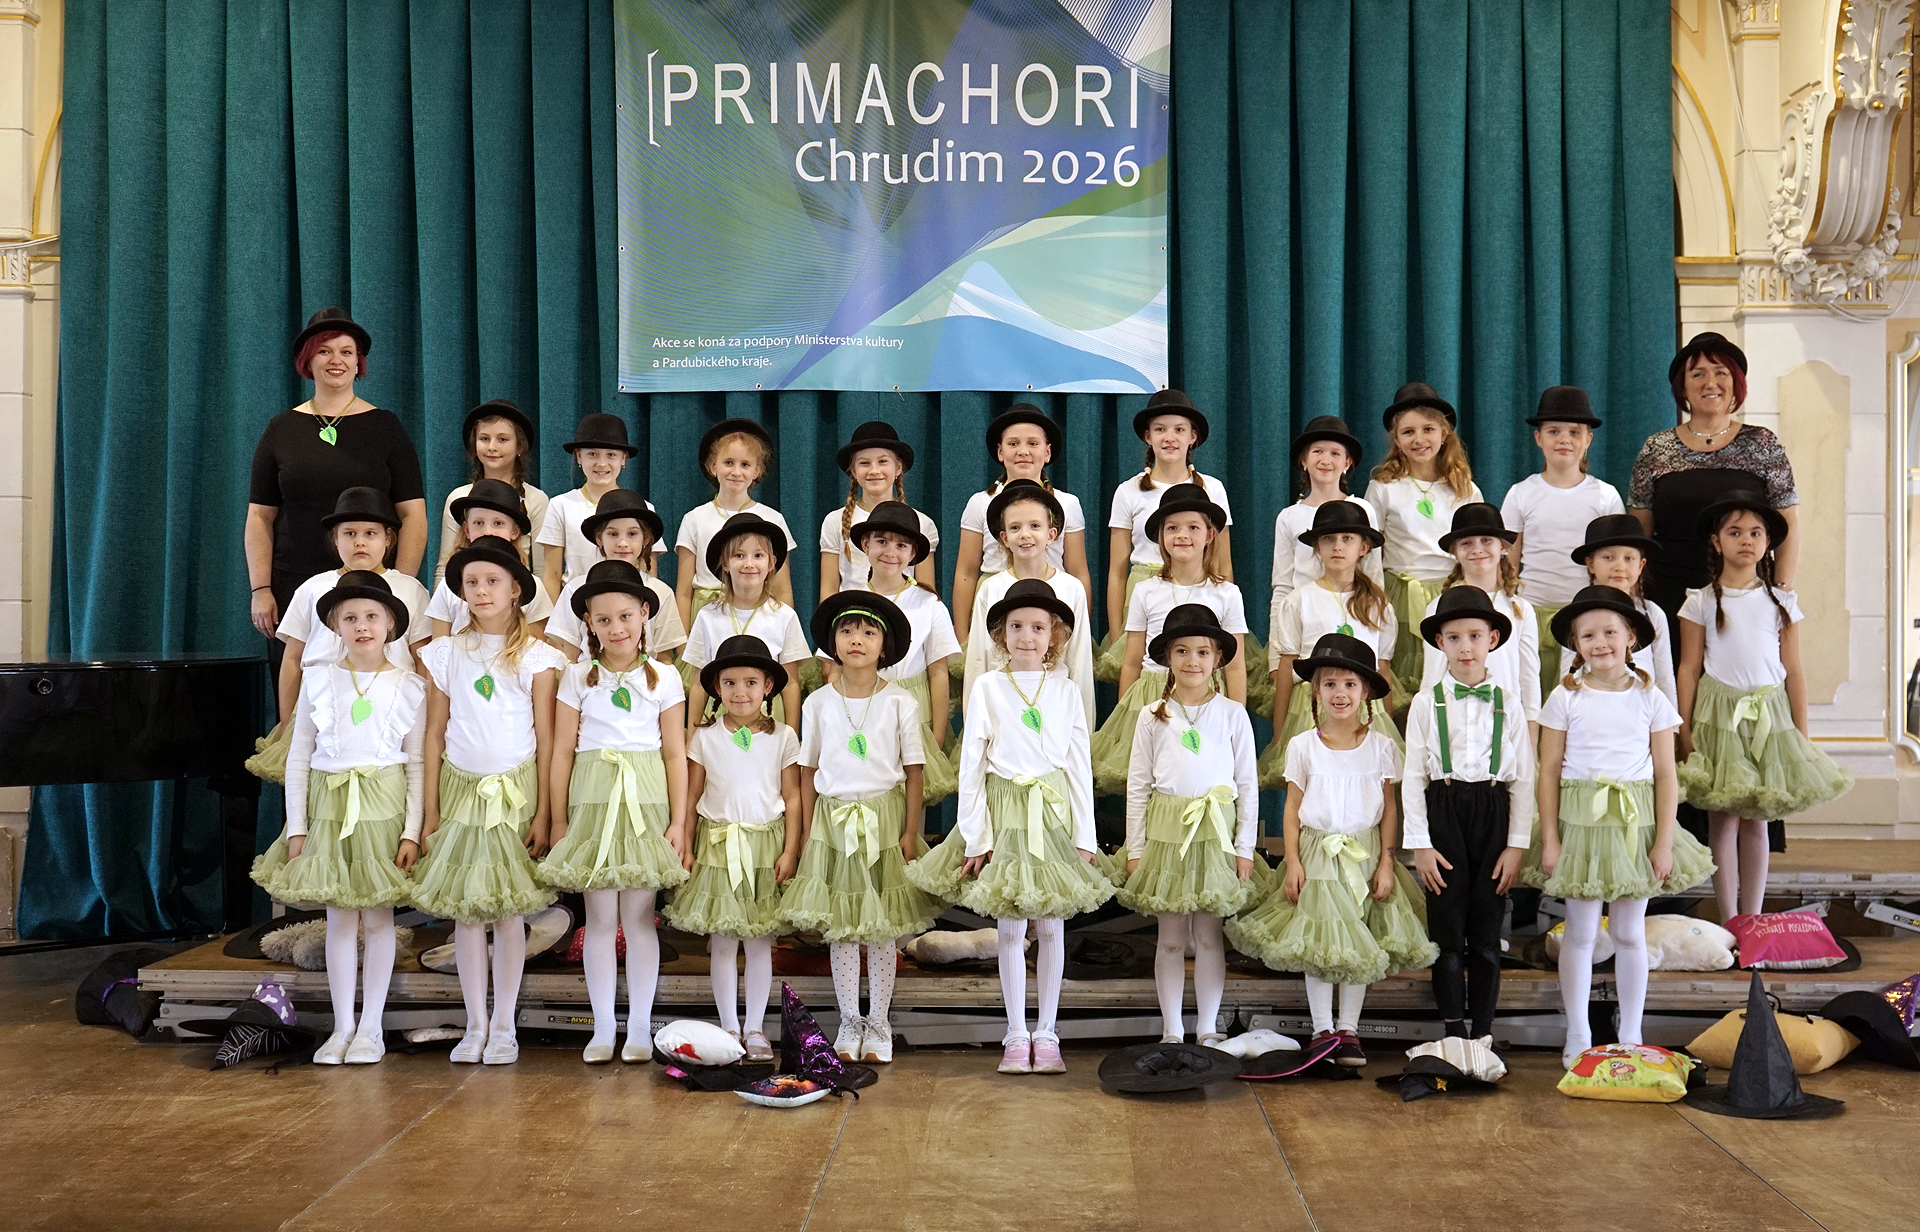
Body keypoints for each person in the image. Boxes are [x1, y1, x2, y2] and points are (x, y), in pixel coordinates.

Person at [908, 580, 1110, 1075]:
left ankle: (1048, 1031)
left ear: (1053, 636)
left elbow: (1077, 766)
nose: (1026, 636)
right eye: (1016, 626)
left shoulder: (1065, 691)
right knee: (1011, 928)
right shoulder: (987, 687)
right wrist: (978, 836)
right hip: (1004, 817)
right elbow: (972, 766)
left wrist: (1084, 836)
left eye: (1038, 627)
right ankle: (1016, 1032)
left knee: (1052, 927)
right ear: (1001, 634)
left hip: (1052, 816)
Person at [1523, 587, 1716, 1066]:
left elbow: (1666, 773)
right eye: (1588, 635)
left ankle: (1631, 1030)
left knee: (1630, 932)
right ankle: (1578, 1032)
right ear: (1575, 643)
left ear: (1631, 637)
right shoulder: (1564, 697)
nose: (1600, 642)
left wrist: (1663, 842)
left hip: (1635, 823)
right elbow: (1548, 772)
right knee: (1581, 932)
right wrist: (1551, 839)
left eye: (1610, 632)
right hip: (1581, 823)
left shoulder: (1651, 697)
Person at [1227, 633, 1436, 1067]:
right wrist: (1293, 862)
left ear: (1366, 693)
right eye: (1330, 684)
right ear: (1315, 691)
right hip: (1317, 852)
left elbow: (1389, 810)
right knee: (1320, 938)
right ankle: (1322, 1029)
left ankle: (1349, 1029)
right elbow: (1292, 809)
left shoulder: (1382, 747)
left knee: (1357, 938)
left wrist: (1386, 862)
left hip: (1365, 851)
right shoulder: (1303, 746)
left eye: (1350, 684)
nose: (1340, 693)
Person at [250, 571, 424, 1065]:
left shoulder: (409, 686)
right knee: (340, 919)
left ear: (390, 624)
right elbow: (299, 758)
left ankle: (371, 1027)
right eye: (350, 618)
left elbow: (415, 763)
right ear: (334, 626)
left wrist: (412, 831)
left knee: (379, 918)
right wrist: (299, 828)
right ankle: (343, 1025)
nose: (362, 626)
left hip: (383, 810)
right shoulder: (319, 680)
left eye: (371, 616)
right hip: (329, 811)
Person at [410, 536, 566, 1065]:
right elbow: (434, 733)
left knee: (508, 912)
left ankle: (504, 1026)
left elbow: (547, 738)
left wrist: (544, 813)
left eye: (492, 581)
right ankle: (474, 1024)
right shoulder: (445, 653)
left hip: (515, 794)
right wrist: (431, 812)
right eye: (471, 582)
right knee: (468, 914)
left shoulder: (537, 657)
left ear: (516, 589)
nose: (481, 590)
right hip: (460, 792)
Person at [537, 562, 691, 1064]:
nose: (616, 627)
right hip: (593, 800)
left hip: (646, 801)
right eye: (603, 620)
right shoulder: (576, 677)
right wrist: (560, 820)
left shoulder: (665, 677)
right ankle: (603, 1027)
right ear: (588, 622)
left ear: (645, 613)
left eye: (625, 616)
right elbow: (562, 752)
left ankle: (641, 1028)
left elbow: (675, 754)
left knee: (640, 919)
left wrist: (678, 821)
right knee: (601, 919)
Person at [778, 592, 941, 1063]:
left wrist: (909, 832)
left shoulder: (901, 702)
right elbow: (808, 770)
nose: (857, 640)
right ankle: (849, 1021)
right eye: (847, 631)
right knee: (843, 929)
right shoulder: (818, 702)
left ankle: (879, 1021)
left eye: (869, 632)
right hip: (832, 823)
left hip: (883, 820)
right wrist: (807, 834)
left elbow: (914, 772)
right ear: (833, 642)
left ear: (884, 646)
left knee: (881, 929)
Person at [1677, 495, 1851, 921]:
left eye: (1756, 533)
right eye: (1735, 532)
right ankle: (1729, 917)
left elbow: (1793, 669)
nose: (1746, 541)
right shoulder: (1700, 601)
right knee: (1723, 821)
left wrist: (1801, 732)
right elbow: (1689, 668)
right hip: (1718, 718)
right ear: (1716, 542)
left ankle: (1752, 918)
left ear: (1768, 542)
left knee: (1758, 820)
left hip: (1769, 718)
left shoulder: (1781, 602)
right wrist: (1684, 729)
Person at [246, 308, 427, 675]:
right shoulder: (281, 428)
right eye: (324, 351)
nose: (336, 360)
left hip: (372, 588)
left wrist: (398, 586)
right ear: (307, 360)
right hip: (294, 584)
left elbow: (413, 515)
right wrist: (260, 589)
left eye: (346, 352)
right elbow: (259, 517)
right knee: (298, 689)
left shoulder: (386, 427)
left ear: (358, 363)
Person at [1115, 605, 1260, 1047]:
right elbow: (1138, 787)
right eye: (1181, 650)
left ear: (1217, 658)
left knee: (1209, 937)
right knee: (1172, 938)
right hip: (1166, 836)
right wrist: (1135, 848)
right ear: (1167, 657)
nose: (1192, 660)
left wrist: (1244, 848)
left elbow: (1247, 785)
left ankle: (1208, 1028)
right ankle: (1173, 1029)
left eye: (1202, 651)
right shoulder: (1151, 715)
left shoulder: (1232, 714)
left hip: (1215, 835)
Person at [1402, 587, 1535, 1042]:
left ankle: (1483, 1032)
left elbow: (1524, 778)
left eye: (1475, 636)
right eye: (1454, 637)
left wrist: (1516, 845)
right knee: (1446, 930)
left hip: (1494, 811)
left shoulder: (1509, 702)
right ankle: (1452, 1031)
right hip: (1444, 810)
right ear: (1440, 642)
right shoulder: (1426, 703)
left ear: (1492, 639)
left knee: (1485, 932)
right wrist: (1420, 844)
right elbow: (1412, 777)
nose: (1465, 647)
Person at [665, 635, 803, 1062]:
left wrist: (791, 850)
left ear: (768, 687)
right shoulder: (704, 737)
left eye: (750, 682)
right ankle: (728, 1026)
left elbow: (793, 796)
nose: (740, 692)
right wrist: (688, 843)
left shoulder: (783, 736)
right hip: (718, 847)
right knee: (723, 940)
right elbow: (692, 794)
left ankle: (756, 1027)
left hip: (765, 847)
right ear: (716, 688)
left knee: (760, 940)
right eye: (729, 683)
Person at [255, 487, 431, 785]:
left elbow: (422, 660)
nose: (360, 542)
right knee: (313, 791)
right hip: (320, 715)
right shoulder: (312, 588)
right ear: (335, 539)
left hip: (388, 711)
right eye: (349, 534)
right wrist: (287, 723)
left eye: (370, 533)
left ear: (388, 539)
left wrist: (421, 720)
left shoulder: (410, 589)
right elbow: (292, 660)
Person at [1629, 333, 1800, 621]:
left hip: (1746, 596)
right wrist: (1635, 595)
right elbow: (1639, 530)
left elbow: (1788, 524)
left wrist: (1781, 594)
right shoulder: (1656, 448)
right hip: (1669, 595)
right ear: (1683, 387)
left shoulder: (1763, 443)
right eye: (1698, 374)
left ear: (1736, 384)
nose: (1710, 383)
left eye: (1721, 372)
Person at [1092, 484, 1248, 795]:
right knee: (1154, 781)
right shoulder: (1146, 591)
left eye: (1193, 527)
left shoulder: (1227, 594)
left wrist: (1236, 718)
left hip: (1206, 695)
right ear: (1161, 535)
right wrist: (1126, 717)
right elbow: (1132, 662)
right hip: (1154, 696)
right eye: (1172, 528)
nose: (1182, 535)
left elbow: (1234, 666)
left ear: (1210, 535)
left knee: (1199, 776)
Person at [1261, 501, 1399, 790]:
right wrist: (1279, 731)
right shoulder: (1299, 600)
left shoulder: (1378, 605)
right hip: (1311, 705)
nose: (1338, 547)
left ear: (1363, 547)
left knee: (1362, 784)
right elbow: (1287, 665)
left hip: (1363, 706)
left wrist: (1387, 725)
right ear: (1317, 547)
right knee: (1315, 787)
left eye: (1347, 539)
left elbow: (1382, 668)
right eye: (1328, 539)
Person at [1099, 389, 1234, 680]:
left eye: (1179, 430)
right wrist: (1117, 632)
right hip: (1145, 589)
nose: (1169, 437)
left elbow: (1223, 563)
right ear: (1148, 436)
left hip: (1199, 588)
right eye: (1160, 429)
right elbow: (1117, 571)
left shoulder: (1213, 489)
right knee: (1148, 676)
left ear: (1192, 437)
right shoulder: (1129, 491)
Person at [1500, 387, 1622, 702]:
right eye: (1554, 431)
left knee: (1580, 700)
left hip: (1586, 616)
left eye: (1574, 432)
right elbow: (1508, 562)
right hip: (1531, 612)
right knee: (1532, 696)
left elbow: (1615, 562)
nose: (1564, 439)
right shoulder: (1521, 494)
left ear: (1588, 439)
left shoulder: (1605, 496)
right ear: (1538, 438)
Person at [1364, 381, 1483, 697]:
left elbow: (1477, 550)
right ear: (1397, 439)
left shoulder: (1464, 489)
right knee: (1402, 685)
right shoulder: (1383, 488)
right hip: (1400, 595)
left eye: (1428, 429)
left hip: (1451, 594)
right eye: (1408, 432)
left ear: (1444, 433)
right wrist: (1375, 597)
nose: (1419, 439)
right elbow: (1370, 552)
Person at [837, 502, 961, 805]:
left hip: (914, 709)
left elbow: (938, 672)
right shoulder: (849, 600)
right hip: (861, 707)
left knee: (910, 799)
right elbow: (834, 668)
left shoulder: (928, 604)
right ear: (866, 544)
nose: (890, 552)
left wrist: (937, 738)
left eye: (901, 545)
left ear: (913, 554)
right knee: (868, 794)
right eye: (882, 541)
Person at [952, 405, 1093, 647]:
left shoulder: (1068, 504)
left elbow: (1078, 572)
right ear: (1000, 452)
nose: (1023, 451)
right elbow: (966, 572)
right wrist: (962, 636)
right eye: (1013, 443)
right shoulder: (980, 503)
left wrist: (1080, 630)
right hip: (996, 603)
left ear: (1047, 452)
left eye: (1033, 443)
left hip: (1051, 602)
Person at [961, 479, 1095, 725]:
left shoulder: (1071, 589)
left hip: (1055, 710)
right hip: (1002, 709)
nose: (1025, 535)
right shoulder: (991, 589)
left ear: (1051, 534)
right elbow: (977, 661)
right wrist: (975, 726)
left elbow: (1080, 661)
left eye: (1035, 525)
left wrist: (1082, 730)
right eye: (1015, 527)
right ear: (1004, 537)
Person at [1417, 503, 1541, 740]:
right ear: (1455, 551)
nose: (1477, 549)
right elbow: (1432, 676)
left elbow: (1529, 679)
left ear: (1503, 547)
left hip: (1506, 723)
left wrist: (1531, 736)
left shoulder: (1520, 610)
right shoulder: (1438, 608)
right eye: (1467, 543)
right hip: (1455, 725)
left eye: (1486, 540)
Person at [680, 513, 809, 728]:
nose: (749, 564)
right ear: (725, 563)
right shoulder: (707, 616)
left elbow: (791, 684)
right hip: (719, 720)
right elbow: (698, 684)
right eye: (739, 555)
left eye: (758, 555)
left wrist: (791, 737)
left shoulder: (785, 616)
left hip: (769, 721)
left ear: (771, 563)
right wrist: (692, 739)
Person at [1269, 415, 1383, 643]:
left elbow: (1373, 576)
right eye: (1317, 452)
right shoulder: (1289, 517)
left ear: (1347, 463)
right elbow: (1282, 586)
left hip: (1353, 619)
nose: (1325, 460)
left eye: (1335, 453)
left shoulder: (1362, 510)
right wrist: (1276, 647)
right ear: (1304, 460)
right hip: (1304, 623)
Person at [675, 418, 798, 628]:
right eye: (728, 463)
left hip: (758, 616)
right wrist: (684, 641)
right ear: (713, 466)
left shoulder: (773, 519)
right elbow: (684, 592)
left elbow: (783, 590)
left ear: (757, 471)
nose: (736, 472)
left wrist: (786, 634)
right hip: (708, 619)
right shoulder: (694, 519)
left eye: (745, 465)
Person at [544, 489, 685, 669]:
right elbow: (569, 656)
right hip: (589, 682)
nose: (622, 543)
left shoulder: (661, 592)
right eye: (613, 534)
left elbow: (664, 658)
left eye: (632, 534)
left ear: (646, 539)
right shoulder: (575, 589)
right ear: (599, 539)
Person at [433, 399, 548, 588]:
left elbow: (542, 572)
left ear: (519, 446)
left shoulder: (536, 500)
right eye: (484, 439)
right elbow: (444, 568)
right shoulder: (459, 498)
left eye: (502, 439)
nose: (492, 447)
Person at [1563, 514, 1676, 707]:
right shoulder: (1578, 613)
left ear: (1641, 565)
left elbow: (1665, 675)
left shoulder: (1652, 614)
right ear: (1590, 564)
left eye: (1629, 558)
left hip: (1643, 711)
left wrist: (1671, 721)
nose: (1619, 566)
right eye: (1608, 557)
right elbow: (1569, 673)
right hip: (1592, 709)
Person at [538, 413, 657, 595]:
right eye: (592, 454)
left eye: (611, 455)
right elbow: (552, 575)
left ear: (623, 459)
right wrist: (555, 613)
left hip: (628, 606)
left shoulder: (644, 509)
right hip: (575, 603)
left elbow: (648, 573)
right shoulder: (560, 505)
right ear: (579, 457)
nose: (602, 464)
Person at [819, 420, 940, 598]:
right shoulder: (835, 521)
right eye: (864, 463)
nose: (874, 470)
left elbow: (926, 592)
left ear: (898, 468)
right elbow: (829, 590)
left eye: (883, 461)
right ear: (853, 471)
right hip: (853, 612)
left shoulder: (922, 523)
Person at [425, 479, 556, 638]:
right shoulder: (447, 587)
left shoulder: (532, 587)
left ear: (514, 531)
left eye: (498, 523)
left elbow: (537, 646)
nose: (487, 531)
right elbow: (438, 646)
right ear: (466, 529)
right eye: (478, 523)